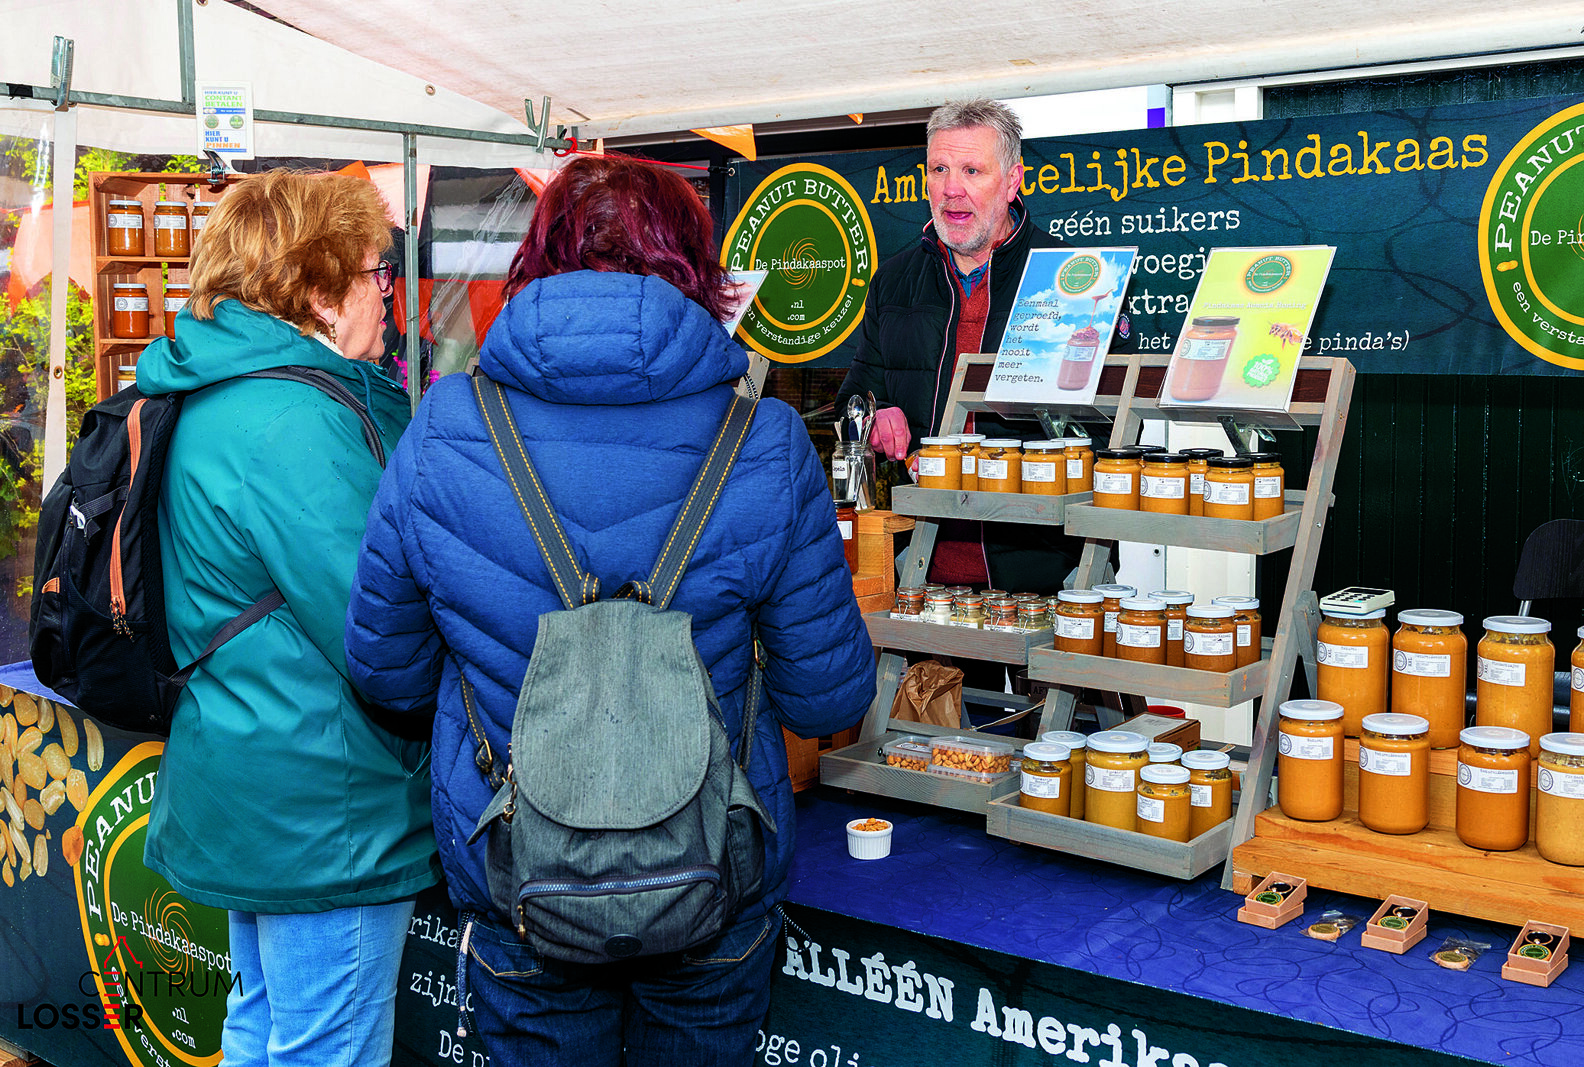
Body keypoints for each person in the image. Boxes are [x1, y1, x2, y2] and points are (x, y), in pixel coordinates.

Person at [344, 154, 875, 1066]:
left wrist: (504, 682)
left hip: (519, 867)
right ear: (694, 267)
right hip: (711, 867)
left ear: (537, 256)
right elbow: (828, 697)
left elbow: (383, 671)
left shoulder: (443, 430)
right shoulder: (764, 438)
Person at [138, 170, 436, 1067]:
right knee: (321, 1049)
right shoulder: (293, 420)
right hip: (323, 807)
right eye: (374, 272)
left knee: (263, 1029)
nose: (386, 293)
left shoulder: (225, 389)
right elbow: (377, 624)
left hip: (257, 773)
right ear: (316, 292)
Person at [836, 98, 1081, 594]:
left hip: (1045, 569)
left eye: (972, 170)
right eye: (939, 169)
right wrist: (874, 414)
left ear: (1012, 181)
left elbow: (1107, 428)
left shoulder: (1070, 277)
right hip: (922, 570)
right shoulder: (894, 280)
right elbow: (851, 404)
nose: (951, 188)